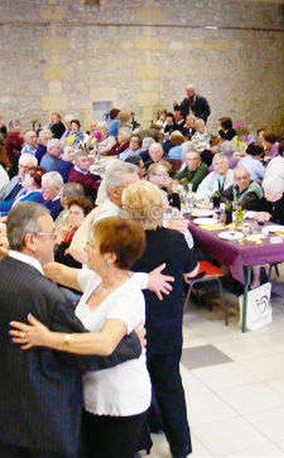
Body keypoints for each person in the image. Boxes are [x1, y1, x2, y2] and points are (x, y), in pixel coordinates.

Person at [0, 203, 144, 458]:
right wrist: (132, 344)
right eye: (51, 235)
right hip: (43, 412)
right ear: (31, 241)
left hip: (3, 404)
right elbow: (85, 355)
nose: (57, 239)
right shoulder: (47, 296)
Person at [122, 181, 198, 457]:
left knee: (134, 383)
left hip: (133, 326)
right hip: (167, 323)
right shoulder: (174, 239)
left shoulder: (124, 244)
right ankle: (181, 445)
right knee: (169, 383)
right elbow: (193, 271)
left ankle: (142, 439)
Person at [54, 197, 94, 267]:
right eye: (70, 212)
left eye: (76, 213)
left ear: (85, 216)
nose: (72, 216)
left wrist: (61, 242)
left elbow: (68, 261)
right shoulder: (70, 231)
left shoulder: (86, 235)